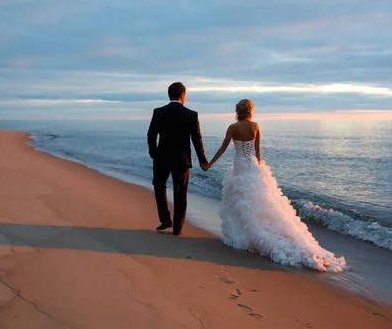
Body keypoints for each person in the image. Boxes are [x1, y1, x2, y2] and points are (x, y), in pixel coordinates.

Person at [205, 99, 346, 272]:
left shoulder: (233, 128)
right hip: (253, 167)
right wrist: (260, 167)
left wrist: (209, 164)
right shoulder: (255, 126)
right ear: (250, 110)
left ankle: (244, 236)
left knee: (242, 201)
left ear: (237, 111)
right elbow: (257, 151)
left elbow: (223, 148)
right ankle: (256, 235)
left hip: (240, 166)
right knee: (258, 200)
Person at [147, 82, 209, 235]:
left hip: (162, 157)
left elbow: (151, 135)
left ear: (170, 95)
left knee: (159, 185)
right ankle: (177, 228)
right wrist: (202, 160)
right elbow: (197, 139)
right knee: (180, 192)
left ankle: (165, 218)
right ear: (183, 95)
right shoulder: (191, 114)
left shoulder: (159, 112)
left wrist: (154, 154)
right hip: (182, 159)